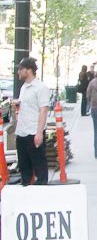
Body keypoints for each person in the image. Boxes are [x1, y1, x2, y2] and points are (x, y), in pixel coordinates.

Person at [12, 57, 50, 186]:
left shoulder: (40, 88)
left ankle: (41, 188)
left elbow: (43, 110)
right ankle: (26, 187)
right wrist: (18, 103)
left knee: (39, 163)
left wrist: (39, 133)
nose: (18, 72)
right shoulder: (24, 87)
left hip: (33, 131)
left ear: (28, 70)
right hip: (22, 131)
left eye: (20, 69)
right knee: (24, 165)